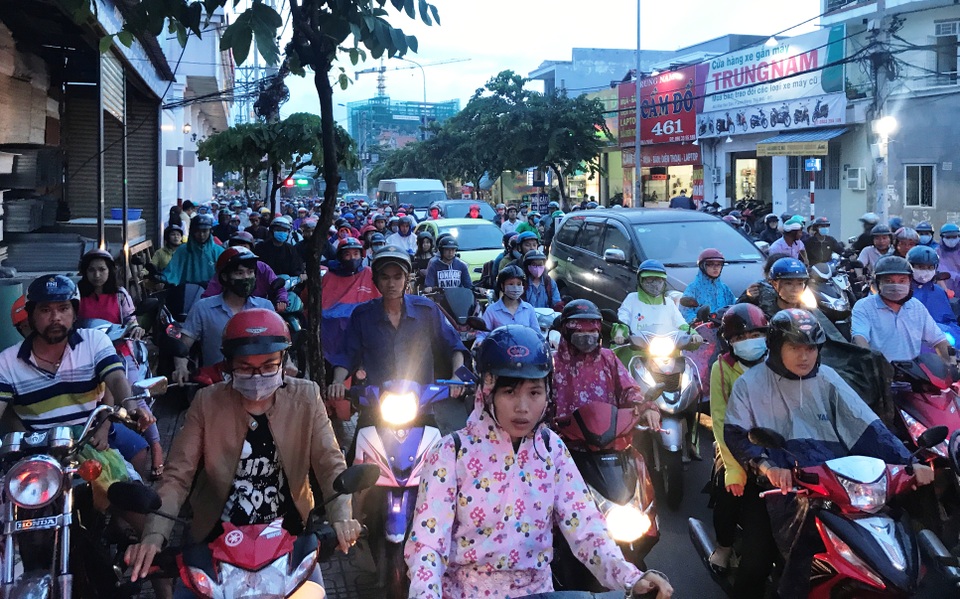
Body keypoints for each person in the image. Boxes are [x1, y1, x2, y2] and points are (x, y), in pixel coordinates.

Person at [404, 325, 674, 599]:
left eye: (534, 392)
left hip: (540, 594)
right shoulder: (451, 453)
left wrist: (630, 577)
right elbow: (427, 547)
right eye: (509, 392)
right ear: (487, 392)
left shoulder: (551, 449)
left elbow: (586, 527)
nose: (523, 407)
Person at [124, 309, 362, 595]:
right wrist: (153, 535)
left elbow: (331, 464)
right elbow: (176, 476)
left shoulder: (307, 396)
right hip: (217, 542)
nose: (258, 376)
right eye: (246, 367)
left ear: (284, 362)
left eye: (269, 365)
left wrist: (341, 518)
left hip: (290, 541)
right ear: (228, 365)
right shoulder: (207, 402)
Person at [724, 308, 933, 599]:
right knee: (756, 563)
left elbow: (866, 424)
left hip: (837, 481)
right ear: (775, 348)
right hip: (779, 485)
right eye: (795, 348)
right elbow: (736, 433)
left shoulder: (828, 377)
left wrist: (908, 461)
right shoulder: (750, 383)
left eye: (810, 348)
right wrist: (766, 465)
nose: (804, 356)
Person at [0, 275, 155, 510]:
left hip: (86, 443)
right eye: (45, 310)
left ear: (74, 313)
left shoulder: (94, 341)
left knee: (138, 511)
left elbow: (114, 376)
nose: (55, 318)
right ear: (31, 316)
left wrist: (132, 406)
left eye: (63, 308)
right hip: (37, 455)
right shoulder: (7, 361)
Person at [327, 246, 468, 396]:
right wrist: (337, 382)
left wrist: (457, 376)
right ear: (375, 280)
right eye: (385, 277)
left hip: (421, 403)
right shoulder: (362, 316)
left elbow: (454, 345)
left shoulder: (426, 310)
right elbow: (347, 355)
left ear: (406, 278)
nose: (391, 284)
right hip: (376, 404)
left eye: (397, 277)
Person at [707, 304, 777, 598]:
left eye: (756, 333)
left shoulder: (778, 362)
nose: (750, 339)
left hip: (776, 448)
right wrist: (735, 467)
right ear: (729, 340)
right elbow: (720, 418)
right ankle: (723, 547)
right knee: (729, 492)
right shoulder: (721, 369)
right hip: (734, 445)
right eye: (742, 335)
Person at [552, 300, 660, 428]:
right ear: (566, 331)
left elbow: (629, 389)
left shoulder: (608, 358)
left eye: (592, 331)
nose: (586, 337)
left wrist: (646, 408)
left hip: (607, 435)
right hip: (563, 439)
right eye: (579, 332)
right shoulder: (553, 362)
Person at [173, 247, 274, 383]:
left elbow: (279, 343)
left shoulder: (265, 307)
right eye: (239, 273)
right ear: (225, 277)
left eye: (250, 273)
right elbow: (183, 346)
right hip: (216, 384)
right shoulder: (203, 308)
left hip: (259, 382)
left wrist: (289, 365)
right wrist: (181, 367)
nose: (246, 278)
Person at [851, 255, 951, 366]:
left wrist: (952, 363)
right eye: (888, 281)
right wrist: (870, 363)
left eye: (902, 280)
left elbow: (939, 340)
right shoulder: (864, 306)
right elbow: (859, 338)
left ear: (910, 282)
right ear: (878, 283)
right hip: (879, 374)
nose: (895, 285)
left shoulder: (916, 307)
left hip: (913, 375)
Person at [613, 260, 697, 341]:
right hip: (635, 348)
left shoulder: (668, 302)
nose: (654, 284)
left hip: (666, 348)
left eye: (658, 280)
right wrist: (620, 333)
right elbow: (623, 318)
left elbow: (680, 322)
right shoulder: (632, 298)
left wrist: (693, 333)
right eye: (649, 279)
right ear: (640, 280)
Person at [202, 231, 288, 310]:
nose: (245, 276)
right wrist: (206, 307)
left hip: (257, 310)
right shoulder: (226, 267)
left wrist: (282, 300)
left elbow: (278, 286)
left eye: (250, 272)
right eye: (239, 273)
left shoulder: (262, 268)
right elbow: (211, 292)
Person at [907, 245, 960, 343]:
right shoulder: (901, 292)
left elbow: (950, 321)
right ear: (909, 266)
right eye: (920, 267)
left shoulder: (939, 292)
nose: (925, 271)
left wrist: (947, 332)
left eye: (929, 267)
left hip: (938, 344)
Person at [478, 265, 541, 343]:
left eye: (519, 284)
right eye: (511, 284)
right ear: (502, 285)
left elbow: (537, 335)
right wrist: (479, 342)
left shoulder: (528, 309)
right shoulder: (492, 310)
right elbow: (482, 335)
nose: (515, 288)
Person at [162, 214, 225, 286]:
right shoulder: (183, 250)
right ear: (192, 232)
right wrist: (162, 279)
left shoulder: (219, 252)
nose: (201, 235)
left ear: (210, 231)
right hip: (185, 293)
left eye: (205, 231)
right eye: (197, 231)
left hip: (212, 294)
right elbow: (172, 271)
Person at [680, 249, 736, 323]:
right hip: (701, 329)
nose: (715, 268)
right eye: (710, 264)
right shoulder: (693, 288)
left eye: (719, 264)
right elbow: (685, 313)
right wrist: (695, 320)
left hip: (724, 329)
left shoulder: (724, 288)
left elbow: (734, 308)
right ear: (702, 266)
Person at [254, 215, 305, 280]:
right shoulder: (261, 247)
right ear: (272, 231)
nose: (282, 232)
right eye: (279, 230)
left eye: (285, 230)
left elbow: (297, 269)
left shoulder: (291, 249)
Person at [938, 222, 960, 297]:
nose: (951, 240)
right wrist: (945, 291)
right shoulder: (936, 253)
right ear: (942, 237)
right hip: (946, 293)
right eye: (948, 237)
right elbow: (938, 274)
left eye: (954, 237)